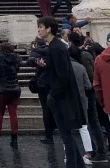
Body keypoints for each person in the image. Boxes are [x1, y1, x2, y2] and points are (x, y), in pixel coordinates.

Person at [39, 16, 83, 168]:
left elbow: (63, 75)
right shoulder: (55, 46)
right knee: (66, 134)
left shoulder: (56, 47)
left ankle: (72, 165)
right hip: (61, 94)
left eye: (41, 27)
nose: (39, 30)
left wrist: (53, 95)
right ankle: (79, 164)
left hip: (61, 97)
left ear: (49, 29)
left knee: (66, 135)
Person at [0, 41, 20, 148]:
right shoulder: (16, 58)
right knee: (13, 114)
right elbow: (16, 70)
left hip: (2, 90)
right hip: (14, 89)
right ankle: (14, 138)